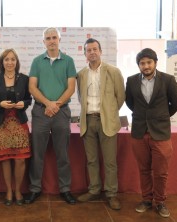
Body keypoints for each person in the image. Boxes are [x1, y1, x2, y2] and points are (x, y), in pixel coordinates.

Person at [125, 48, 177, 218]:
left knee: (161, 171)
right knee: (143, 169)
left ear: (155, 62)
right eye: (142, 63)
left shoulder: (168, 80)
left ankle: (160, 201)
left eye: (149, 62)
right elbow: (130, 103)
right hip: (139, 132)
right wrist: (145, 117)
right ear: (139, 65)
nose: (146, 66)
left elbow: (176, 103)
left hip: (161, 133)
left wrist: (160, 117)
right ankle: (147, 200)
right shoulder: (132, 80)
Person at [24, 27, 77, 205]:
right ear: (44, 41)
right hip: (41, 112)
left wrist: (56, 105)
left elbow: (71, 88)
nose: (51, 40)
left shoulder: (69, 61)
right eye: (48, 38)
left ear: (59, 40)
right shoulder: (37, 61)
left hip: (61, 112)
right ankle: (34, 189)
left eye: (54, 37)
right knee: (37, 154)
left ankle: (65, 189)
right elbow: (32, 87)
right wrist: (48, 104)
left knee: (63, 153)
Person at [76, 38, 125, 210]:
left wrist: (109, 113)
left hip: (107, 121)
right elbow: (80, 98)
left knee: (110, 161)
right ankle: (94, 190)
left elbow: (120, 97)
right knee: (92, 160)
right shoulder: (81, 74)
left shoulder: (113, 71)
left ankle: (111, 194)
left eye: (95, 49)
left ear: (101, 51)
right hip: (88, 121)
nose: (92, 52)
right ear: (84, 54)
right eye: (88, 50)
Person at [0, 49, 32, 206]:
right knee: (5, 159)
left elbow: (28, 99)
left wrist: (24, 104)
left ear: (17, 62)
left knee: (20, 160)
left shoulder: (24, 79)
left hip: (19, 123)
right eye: (6, 59)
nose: (10, 62)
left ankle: (18, 190)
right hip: (1, 124)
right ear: (2, 62)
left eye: (13, 59)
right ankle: (8, 191)